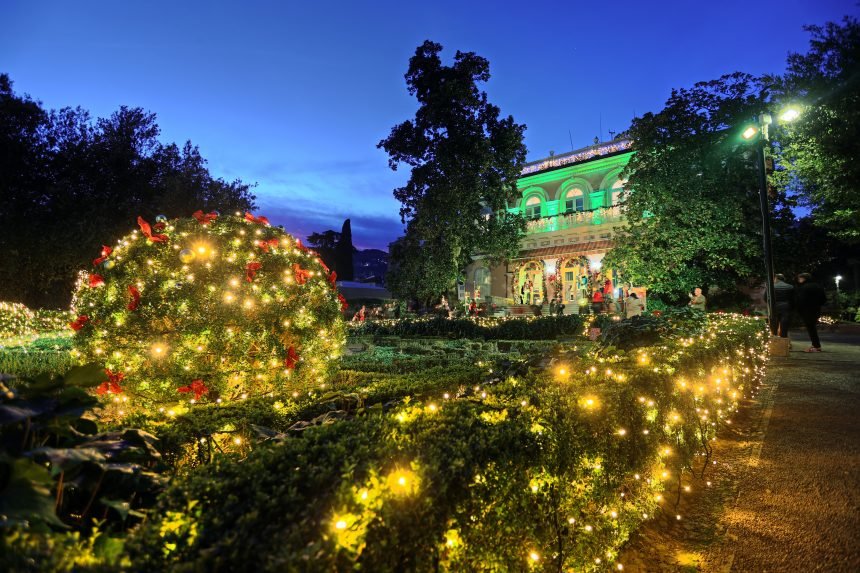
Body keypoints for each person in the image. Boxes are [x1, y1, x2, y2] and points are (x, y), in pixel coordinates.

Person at [795, 273, 827, 352]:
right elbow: (824, 299)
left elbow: (801, 300)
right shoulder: (818, 286)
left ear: (804, 279)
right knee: (812, 327)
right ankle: (815, 345)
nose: (799, 280)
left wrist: (798, 309)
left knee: (811, 328)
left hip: (806, 310)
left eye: (800, 278)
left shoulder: (803, 287)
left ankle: (816, 346)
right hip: (816, 309)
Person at [770, 274, 794, 338]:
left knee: (774, 322)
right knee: (784, 322)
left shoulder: (772, 287)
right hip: (786, 306)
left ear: (776, 278)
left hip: (775, 306)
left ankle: (774, 337)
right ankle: (783, 338)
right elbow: (793, 298)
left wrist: (771, 304)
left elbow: (766, 297)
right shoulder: (790, 287)